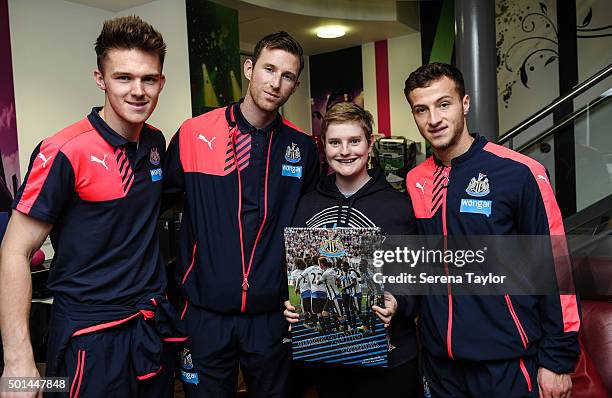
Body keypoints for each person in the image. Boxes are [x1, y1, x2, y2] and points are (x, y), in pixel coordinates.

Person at [0, 16, 184, 398]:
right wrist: (18, 360)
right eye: (123, 78)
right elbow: (15, 250)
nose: (138, 91)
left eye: (149, 79)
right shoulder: (64, 150)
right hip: (89, 335)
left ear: (161, 82)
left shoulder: (154, 143)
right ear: (100, 79)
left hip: (148, 327)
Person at [403, 62, 580, 398]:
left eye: (444, 104)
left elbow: (556, 267)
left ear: (465, 103)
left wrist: (557, 360)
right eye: (421, 109)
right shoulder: (416, 181)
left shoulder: (520, 173)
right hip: (441, 365)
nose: (434, 119)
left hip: (506, 362)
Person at [163, 31, 319, 397]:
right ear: (249, 69)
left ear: (295, 86)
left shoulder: (302, 148)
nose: (275, 82)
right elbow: (152, 206)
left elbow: (311, 228)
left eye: (287, 76)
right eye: (268, 69)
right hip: (204, 314)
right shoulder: (193, 133)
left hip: (271, 316)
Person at [284, 102, 419, 397]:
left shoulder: (397, 206)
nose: (345, 151)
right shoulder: (307, 205)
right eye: (335, 142)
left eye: (354, 141)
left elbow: (415, 278)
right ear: (323, 146)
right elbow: (297, 273)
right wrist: (292, 304)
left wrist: (396, 302)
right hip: (328, 358)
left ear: (369, 143)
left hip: (389, 359)